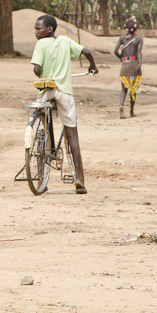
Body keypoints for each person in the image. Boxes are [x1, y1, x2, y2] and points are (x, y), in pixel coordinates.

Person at [31, 14, 98, 194]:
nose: (36, 32)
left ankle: (39, 179)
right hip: (64, 92)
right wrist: (92, 66)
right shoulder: (65, 41)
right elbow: (87, 52)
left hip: (46, 89)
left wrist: (44, 73)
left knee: (41, 131)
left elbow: (36, 69)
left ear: (49, 29)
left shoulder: (40, 44)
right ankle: (80, 179)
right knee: (72, 133)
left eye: (38, 29)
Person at [113, 16, 143, 119]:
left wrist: (122, 58)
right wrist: (139, 64)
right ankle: (131, 111)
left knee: (123, 89)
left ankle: (121, 106)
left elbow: (115, 51)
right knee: (133, 89)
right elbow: (138, 52)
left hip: (125, 66)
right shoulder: (139, 39)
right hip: (134, 65)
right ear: (135, 28)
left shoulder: (122, 38)